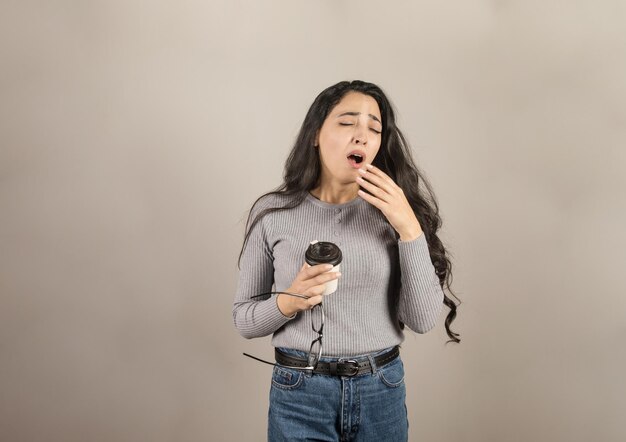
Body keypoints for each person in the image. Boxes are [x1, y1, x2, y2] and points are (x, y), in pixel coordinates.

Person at [233, 80, 460, 442]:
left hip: (380, 390)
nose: (362, 135)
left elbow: (422, 319)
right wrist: (290, 301)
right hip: (300, 392)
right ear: (315, 135)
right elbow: (244, 320)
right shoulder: (273, 213)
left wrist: (408, 226)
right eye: (347, 122)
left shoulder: (396, 214)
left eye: (374, 128)